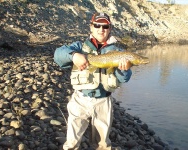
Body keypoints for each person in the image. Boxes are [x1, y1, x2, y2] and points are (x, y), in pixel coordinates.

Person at [54, 12, 132, 150]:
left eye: (105, 26)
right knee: (71, 144)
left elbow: (124, 78)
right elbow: (58, 55)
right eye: (97, 25)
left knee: (102, 145)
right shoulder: (79, 46)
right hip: (80, 99)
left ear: (110, 28)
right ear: (91, 27)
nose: (101, 29)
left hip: (103, 102)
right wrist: (74, 56)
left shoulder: (118, 52)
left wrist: (124, 70)